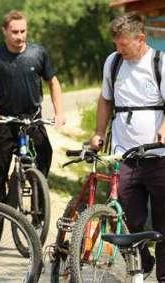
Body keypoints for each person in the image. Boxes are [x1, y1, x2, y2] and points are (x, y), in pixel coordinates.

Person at [89, 12, 165, 280]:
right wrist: (98, 132)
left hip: (158, 156)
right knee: (129, 219)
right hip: (125, 154)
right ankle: (142, 262)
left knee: (162, 220)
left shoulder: (159, 62)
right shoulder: (113, 63)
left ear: (141, 38)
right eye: (116, 45)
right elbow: (105, 100)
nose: (118, 49)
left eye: (123, 44)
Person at [0, 10, 64, 234]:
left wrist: (59, 112)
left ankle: (39, 213)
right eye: (14, 32)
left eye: (23, 31)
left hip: (32, 119)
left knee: (44, 156)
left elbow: (53, 82)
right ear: (4, 31)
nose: (19, 36)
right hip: (5, 120)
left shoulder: (38, 53)